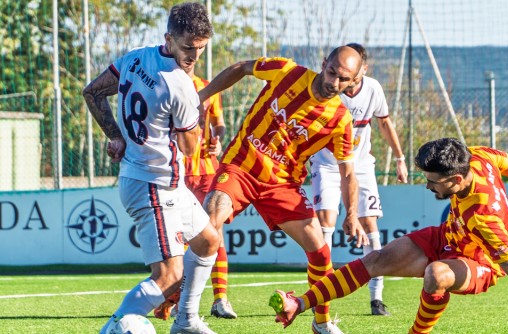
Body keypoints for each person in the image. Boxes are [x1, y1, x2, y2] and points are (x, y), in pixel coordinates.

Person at [270, 137, 508, 333]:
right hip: (446, 236)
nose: (428, 187)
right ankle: (301, 304)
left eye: (433, 182)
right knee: (376, 259)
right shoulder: (476, 156)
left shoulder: (483, 216)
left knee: (436, 274)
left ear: (455, 179)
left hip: (478, 263)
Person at [196, 46, 370, 334]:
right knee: (209, 224)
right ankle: (185, 311)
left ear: (353, 82)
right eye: (331, 73)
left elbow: (348, 171)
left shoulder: (340, 120)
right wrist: (202, 97)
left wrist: (352, 212)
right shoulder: (286, 71)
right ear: (323, 62)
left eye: (344, 80)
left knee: (321, 252)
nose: (334, 83)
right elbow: (241, 67)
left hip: (282, 184)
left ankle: (322, 322)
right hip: (242, 166)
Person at [82, 3, 220, 333]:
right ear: (169, 39)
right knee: (168, 275)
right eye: (188, 47)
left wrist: (116, 135)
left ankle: (186, 320)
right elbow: (190, 148)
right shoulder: (181, 85)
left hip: (157, 181)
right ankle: (114, 327)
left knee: (208, 241)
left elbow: (93, 92)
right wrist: (198, 119)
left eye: (201, 48)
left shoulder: (135, 58)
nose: (194, 56)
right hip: (152, 185)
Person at [309, 43, 408, 316]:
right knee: (326, 222)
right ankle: (322, 294)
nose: (345, 81)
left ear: (362, 70)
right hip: (327, 165)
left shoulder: (373, 89)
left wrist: (399, 158)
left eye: (351, 74)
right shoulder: (328, 89)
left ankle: (376, 298)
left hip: (360, 166)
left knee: (370, 225)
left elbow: (385, 123)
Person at [152, 70, 237, 320]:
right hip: (175, 171)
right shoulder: (163, 85)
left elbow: (217, 123)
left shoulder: (208, 87)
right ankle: (175, 298)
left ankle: (220, 299)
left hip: (207, 171)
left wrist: (218, 139)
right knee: (180, 240)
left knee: (214, 234)